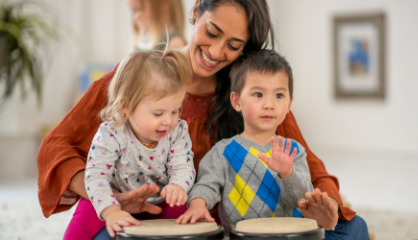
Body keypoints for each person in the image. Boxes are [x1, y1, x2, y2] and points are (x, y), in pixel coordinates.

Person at [37, 0, 367, 239]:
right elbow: (56, 147)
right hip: (153, 221)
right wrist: (108, 199)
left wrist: (326, 209)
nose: (217, 51)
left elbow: (311, 168)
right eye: (212, 32)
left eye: (233, 45)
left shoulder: (251, 94)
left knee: (354, 230)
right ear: (196, 11)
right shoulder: (135, 78)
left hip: (235, 224)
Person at [176, 50, 314, 233]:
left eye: (279, 95)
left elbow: (304, 200)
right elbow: (205, 185)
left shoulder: (294, 150)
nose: (269, 104)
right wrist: (197, 205)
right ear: (237, 101)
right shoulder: (222, 152)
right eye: (258, 94)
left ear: (289, 103)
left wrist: (287, 173)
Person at [65, 49, 196, 239]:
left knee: (184, 217)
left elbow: (183, 165)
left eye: (175, 111)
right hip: (114, 197)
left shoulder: (178, 130)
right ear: (126, 106)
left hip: (160, 199)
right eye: (158, 113)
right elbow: (95, 176)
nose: (168, 121)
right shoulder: (111, 133)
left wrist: (177, 187)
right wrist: (111, 211)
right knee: (79, 226)